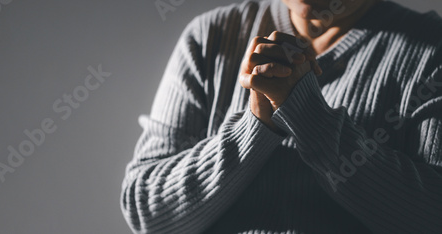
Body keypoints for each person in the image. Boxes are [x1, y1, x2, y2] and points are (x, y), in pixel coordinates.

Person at [121, 0, 442, 233]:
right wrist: (255, 125)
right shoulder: (210, 38)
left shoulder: (432, 51)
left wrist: (307, 115)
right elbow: (148, 213)